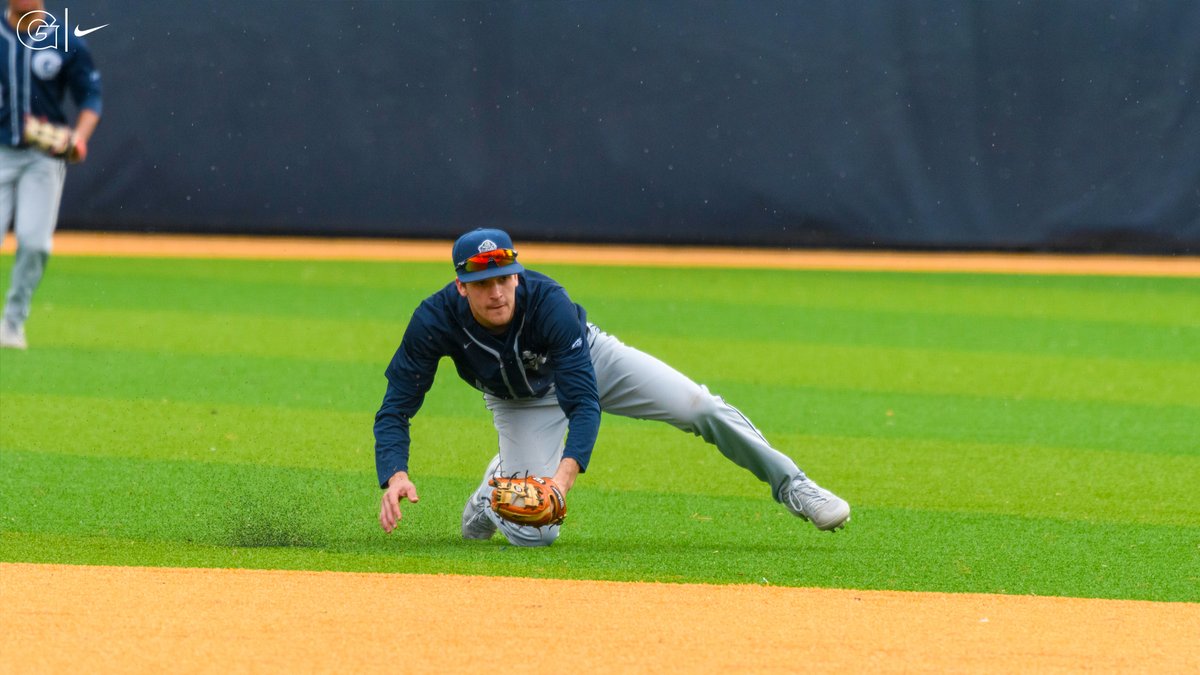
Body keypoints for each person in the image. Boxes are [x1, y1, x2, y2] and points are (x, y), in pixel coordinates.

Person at [375, 228, 851, 547]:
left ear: (516, 274)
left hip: (590, 361)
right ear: (461, 286)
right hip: (517, 401)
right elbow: (396, 406)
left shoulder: (549, 303)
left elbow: (584, 400)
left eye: (503, 278)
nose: (496, 292)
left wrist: (561, 482)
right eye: (482, 283)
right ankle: (491, 489)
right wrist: (395, 473)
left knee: (699, 406)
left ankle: (795, 487)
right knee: (538, 536)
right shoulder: (433, 322)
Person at [0, 0, 102, 349]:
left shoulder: (63, 39)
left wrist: (79, 137)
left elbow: (91, 97)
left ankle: (12, 322)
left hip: (43, 156)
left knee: (33, 242)